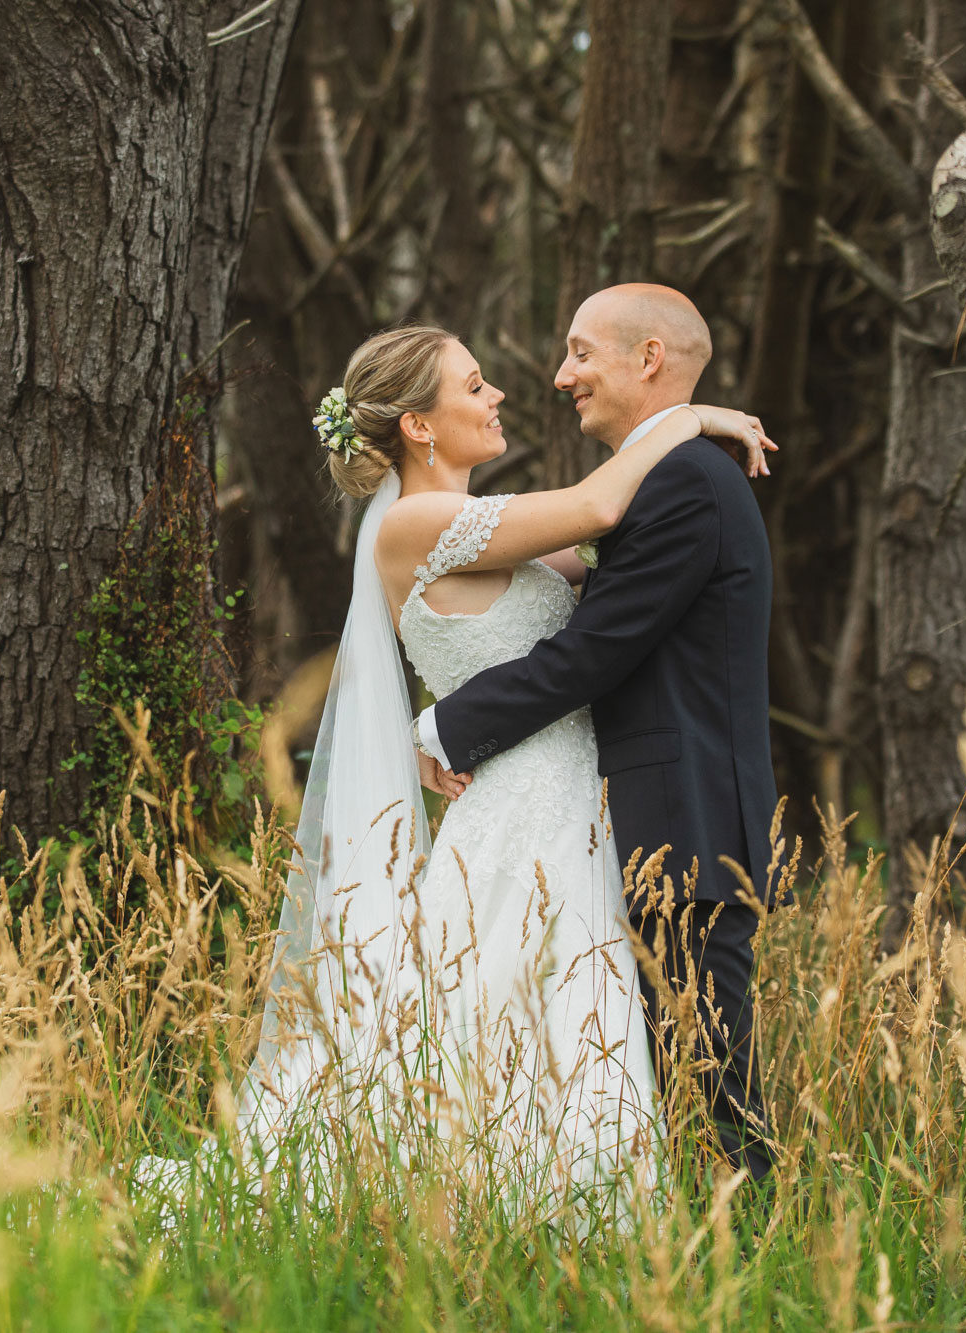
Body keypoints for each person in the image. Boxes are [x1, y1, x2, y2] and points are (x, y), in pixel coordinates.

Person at [180, 298, 774, 1207]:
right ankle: (496, 1206)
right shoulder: (411, 528)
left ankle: (568, 1205)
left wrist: (682, 426)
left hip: (572, 802)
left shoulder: (492, 521)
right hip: (519, 805)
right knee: (496, 1013)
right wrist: (693, 415)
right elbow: (599, 507)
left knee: (563, 1018)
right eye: (473, 383)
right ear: (418, 424)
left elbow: (600, 559)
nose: (503, 391)